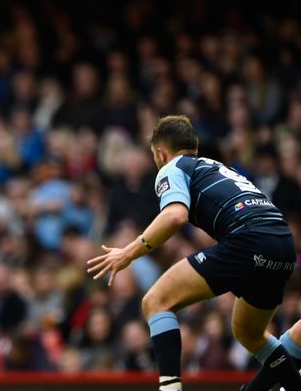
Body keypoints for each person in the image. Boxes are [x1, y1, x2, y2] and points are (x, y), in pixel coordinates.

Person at [86, 115, 301, 391]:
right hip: (283, 244)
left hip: (249, 239)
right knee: (248, 332)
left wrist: (128, 252)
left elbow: (175, 215)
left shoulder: (171, 167)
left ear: (160, 152)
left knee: (156, 301)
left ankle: (170, 389)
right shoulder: (216, 167)